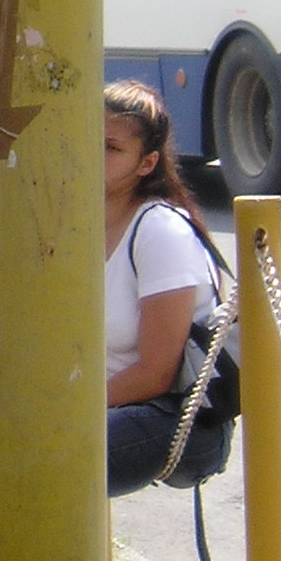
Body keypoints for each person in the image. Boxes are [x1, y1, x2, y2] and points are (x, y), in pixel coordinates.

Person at [104, 79, 232, 494]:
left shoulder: (159, 229)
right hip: (104, 407)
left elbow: (155, 374)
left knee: (44, 452)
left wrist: (60, 412)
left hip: (175, 418)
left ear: (147, 163)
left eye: (110, 148)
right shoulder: (74, 223)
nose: (90, 156)